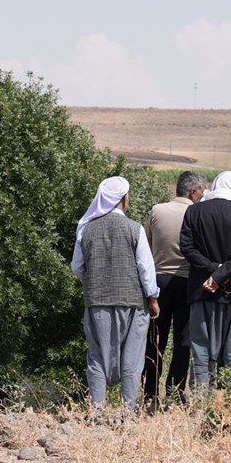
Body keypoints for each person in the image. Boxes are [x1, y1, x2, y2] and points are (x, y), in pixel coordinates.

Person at [71, 176, 160, 413]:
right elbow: (145, 268)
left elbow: (77, 267)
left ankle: (96, 412)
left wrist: (94, 282)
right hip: (132, 303)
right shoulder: (135, 229)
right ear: (124, 199)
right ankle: (127, 413)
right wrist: (152, 298)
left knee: (97, 357)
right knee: (132, 360)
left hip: (96, 303)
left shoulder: (86, 229)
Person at [179, 171, 231, 390]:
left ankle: (199, 403)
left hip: (202, 290)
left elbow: (187, 248)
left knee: (202, 350)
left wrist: (213, 272)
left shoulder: (194, 211)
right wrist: (221, 274)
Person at [143, 171, 207, 405]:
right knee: (183, 340)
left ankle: (150, 393)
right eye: (202, 191)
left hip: (158, 282)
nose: (202, 195)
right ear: (192, 191)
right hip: (187, 282)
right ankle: (175, 391)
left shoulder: (157, 210)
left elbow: (147, 247)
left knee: (155, 339)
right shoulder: (197, 213)